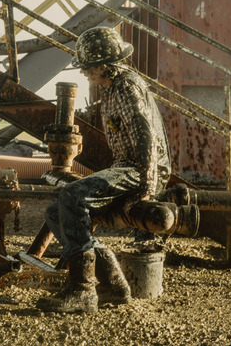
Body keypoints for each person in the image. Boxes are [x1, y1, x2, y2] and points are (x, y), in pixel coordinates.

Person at [37, 26, 171, 313]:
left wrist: (146, 188)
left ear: (102, 65)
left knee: (72, 196)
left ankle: (82, 290)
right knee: (55, 214)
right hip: (129, 168)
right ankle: (113, 284)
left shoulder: (126, 86)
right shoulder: (112, 88)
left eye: (87, 67)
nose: (84, 72)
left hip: (140, 170)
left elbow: (146, 137)